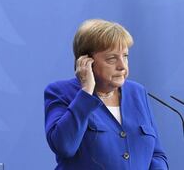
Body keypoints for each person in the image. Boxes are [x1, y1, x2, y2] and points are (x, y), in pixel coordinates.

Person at [43, 19, 168, 169]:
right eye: (112, 59)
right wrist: (86, 92)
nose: (122, 66)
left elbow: (157, 155)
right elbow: (64, 147)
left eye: (125, 56)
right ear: (86, 62)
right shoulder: (61, 92)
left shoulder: (137, 92)